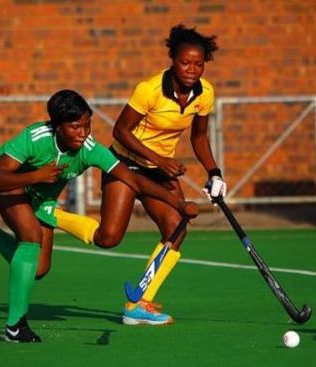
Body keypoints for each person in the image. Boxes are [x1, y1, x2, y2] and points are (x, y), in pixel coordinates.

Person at [0, 89, 198, 342]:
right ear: (57, 126)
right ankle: (15, 326)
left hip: (40, 198)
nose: (83, 132)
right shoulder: (34, 138)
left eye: (87, 125)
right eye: (75, 126)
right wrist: (36, 176)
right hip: (9, 184)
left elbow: (133, 180)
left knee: (39, 269)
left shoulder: (90, 149)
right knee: (31, 236)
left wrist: (178, 202)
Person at [86, 24, 224, 325]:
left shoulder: (205, 93)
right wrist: (159, 159)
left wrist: (214, 173)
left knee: (177, 227)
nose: (191, 69)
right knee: (108, 238)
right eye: (185, 62)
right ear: (173, 59)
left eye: (198, 64)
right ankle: (54, 216)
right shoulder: (149, 89)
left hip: (160, 170)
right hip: (124, 163)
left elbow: (199, 138)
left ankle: (139, 302)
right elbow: (120, 130)